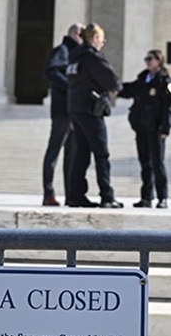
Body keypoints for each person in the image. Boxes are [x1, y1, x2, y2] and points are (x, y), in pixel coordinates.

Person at [66, 23, 123, 208]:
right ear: (95, 39)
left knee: (81, 154)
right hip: (91, 110)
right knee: (101, 154)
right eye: (101, 39)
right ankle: (107, 196)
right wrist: (116, 87)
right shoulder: (92, 57)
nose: (103, 43)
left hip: (76, 110)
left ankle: (75, 196)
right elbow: (112, 80)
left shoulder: (74, 57)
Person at [118, 49, 171, 209]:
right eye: (146, 59)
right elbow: (129, 90)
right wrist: (113, 87)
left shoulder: (166, 82)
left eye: (150, 59)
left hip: (156, 130)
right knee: (145, 164)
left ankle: (162, 197)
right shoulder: (143, 79)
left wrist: (165, 128)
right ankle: (146, 197)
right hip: (142, 129)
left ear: (159, 61)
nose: (148, 61)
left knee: (158, 164)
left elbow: (170, 106)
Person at [40, 23, 83, 206]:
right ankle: (48, 193)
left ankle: (71, 194)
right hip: (62, 111)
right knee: (55, 151)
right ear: (76, 34)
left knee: (72, 155)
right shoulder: (63, 50)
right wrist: (72, 86)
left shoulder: (76, 53)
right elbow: (50, 72)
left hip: (74, 110)